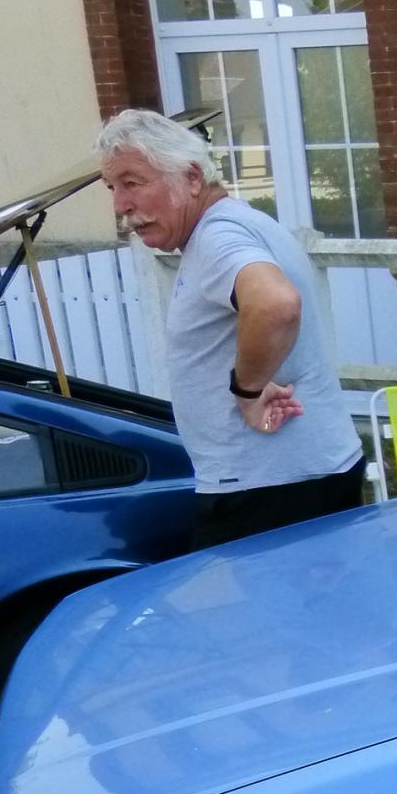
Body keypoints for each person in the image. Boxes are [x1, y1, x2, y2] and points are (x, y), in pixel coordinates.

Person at [96, 109, 365, 550]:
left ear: (193, 178)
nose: (120, 205)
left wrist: (246, 390)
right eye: (113, 187)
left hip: (269, 488)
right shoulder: (235, 224)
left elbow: (276, 304)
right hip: (291, 476)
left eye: (132, 182)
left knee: (268, 621)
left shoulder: (218, 237)